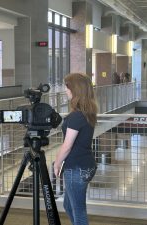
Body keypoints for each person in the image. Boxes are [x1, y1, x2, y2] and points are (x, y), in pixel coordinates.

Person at [54, 73, 98, 225]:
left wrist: (56, 163)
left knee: (79, 212)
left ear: (75, 90)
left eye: (67, 87)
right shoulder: (87, 113)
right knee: (68, 205)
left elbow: (67, 146)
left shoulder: (76, 116)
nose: (65, 90)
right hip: (86, 166)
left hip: (76, 169)